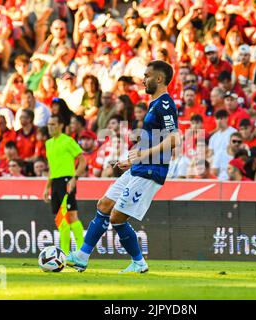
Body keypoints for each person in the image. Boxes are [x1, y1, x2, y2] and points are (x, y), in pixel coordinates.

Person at [66, 60, 179, 273]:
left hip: (151, 170)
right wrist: (132, 159)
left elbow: (175, 139)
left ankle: (139, 263)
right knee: (104, 205)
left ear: (159, 78)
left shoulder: (165, 104)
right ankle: (81, 256)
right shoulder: (153, 104)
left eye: (146, 76)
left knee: (117, 217)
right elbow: (152, 140)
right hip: (140, 166)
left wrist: (144, 154)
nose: (143, 80)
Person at [43, 114, 86, 255]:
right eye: (49, 124)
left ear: (61, 125)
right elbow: (51, 167)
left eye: (53, 124)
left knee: (71, 215)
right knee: (60, 218)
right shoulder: (48, 143)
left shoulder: (68, 141)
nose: (50, 127)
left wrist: (75, 178)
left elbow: (82, 160)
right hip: (55, 182)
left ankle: (81, 252)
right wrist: (47, 187)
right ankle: (65, 254)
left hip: (66, 181)